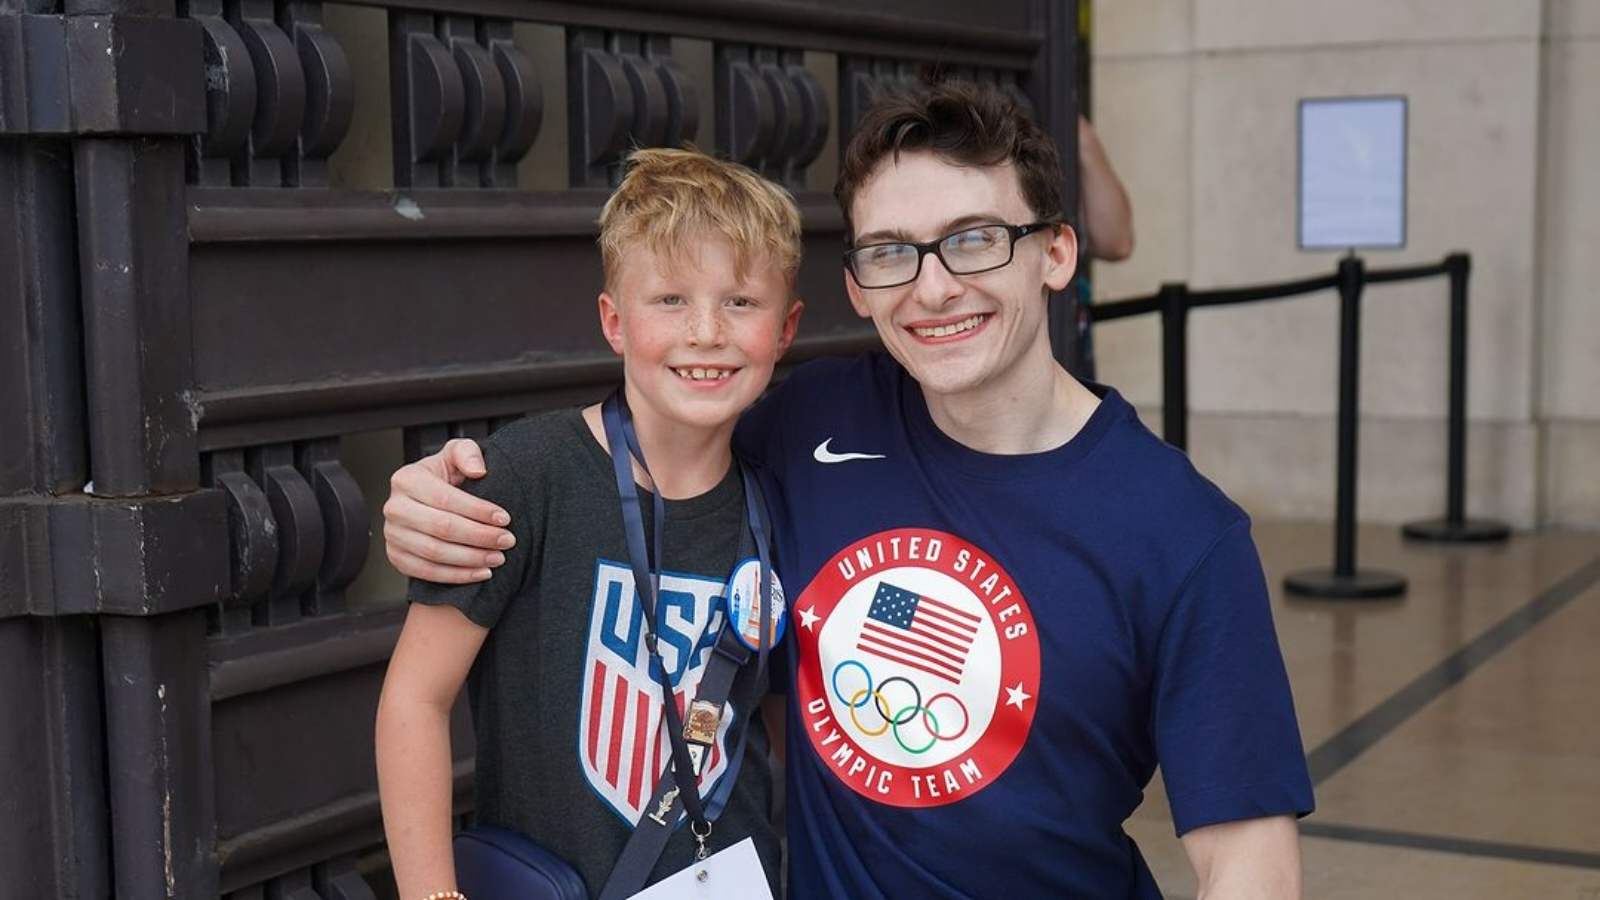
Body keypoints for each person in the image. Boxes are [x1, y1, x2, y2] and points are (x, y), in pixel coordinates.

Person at [384, 80, 1314, 898]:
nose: (934, 287)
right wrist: (440, 495)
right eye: (891, 253)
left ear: (1058, 253)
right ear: (858, 288)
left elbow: (1249, 863)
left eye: (976, 241)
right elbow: (655, 422)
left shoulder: (1184, 534)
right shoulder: (807, 426)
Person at [374, 147, 805, 899]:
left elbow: (777, 733)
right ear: (613, 320)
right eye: (669, 300)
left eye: (740, 301)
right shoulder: (529, 471)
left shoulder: (777, 504)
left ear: (787, 328)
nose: (706, 331)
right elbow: (415, 698)